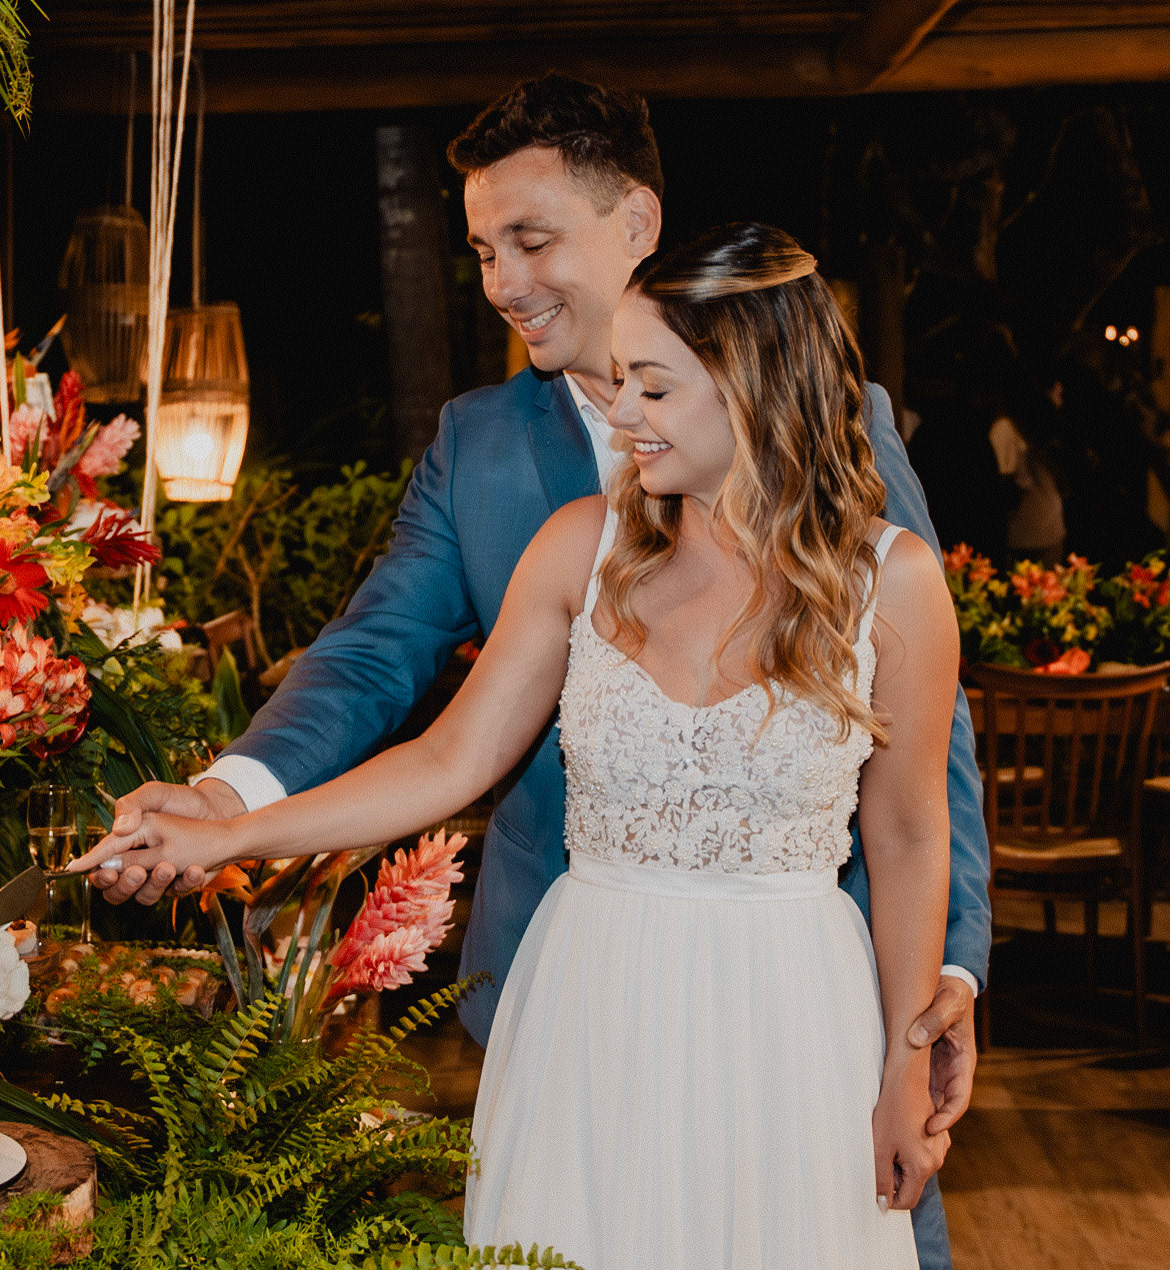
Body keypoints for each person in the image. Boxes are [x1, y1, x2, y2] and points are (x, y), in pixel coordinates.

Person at [85, 75, 990, 1269]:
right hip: (583, 1003)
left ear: (636, 225)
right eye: (478, 250)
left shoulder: (861, 487)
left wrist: (931, 1003)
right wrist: (228, 812)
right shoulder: (516, 483)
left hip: (798, 1007)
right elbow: (396, 691)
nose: (503, 282)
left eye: (530, 239)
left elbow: (924, 791)